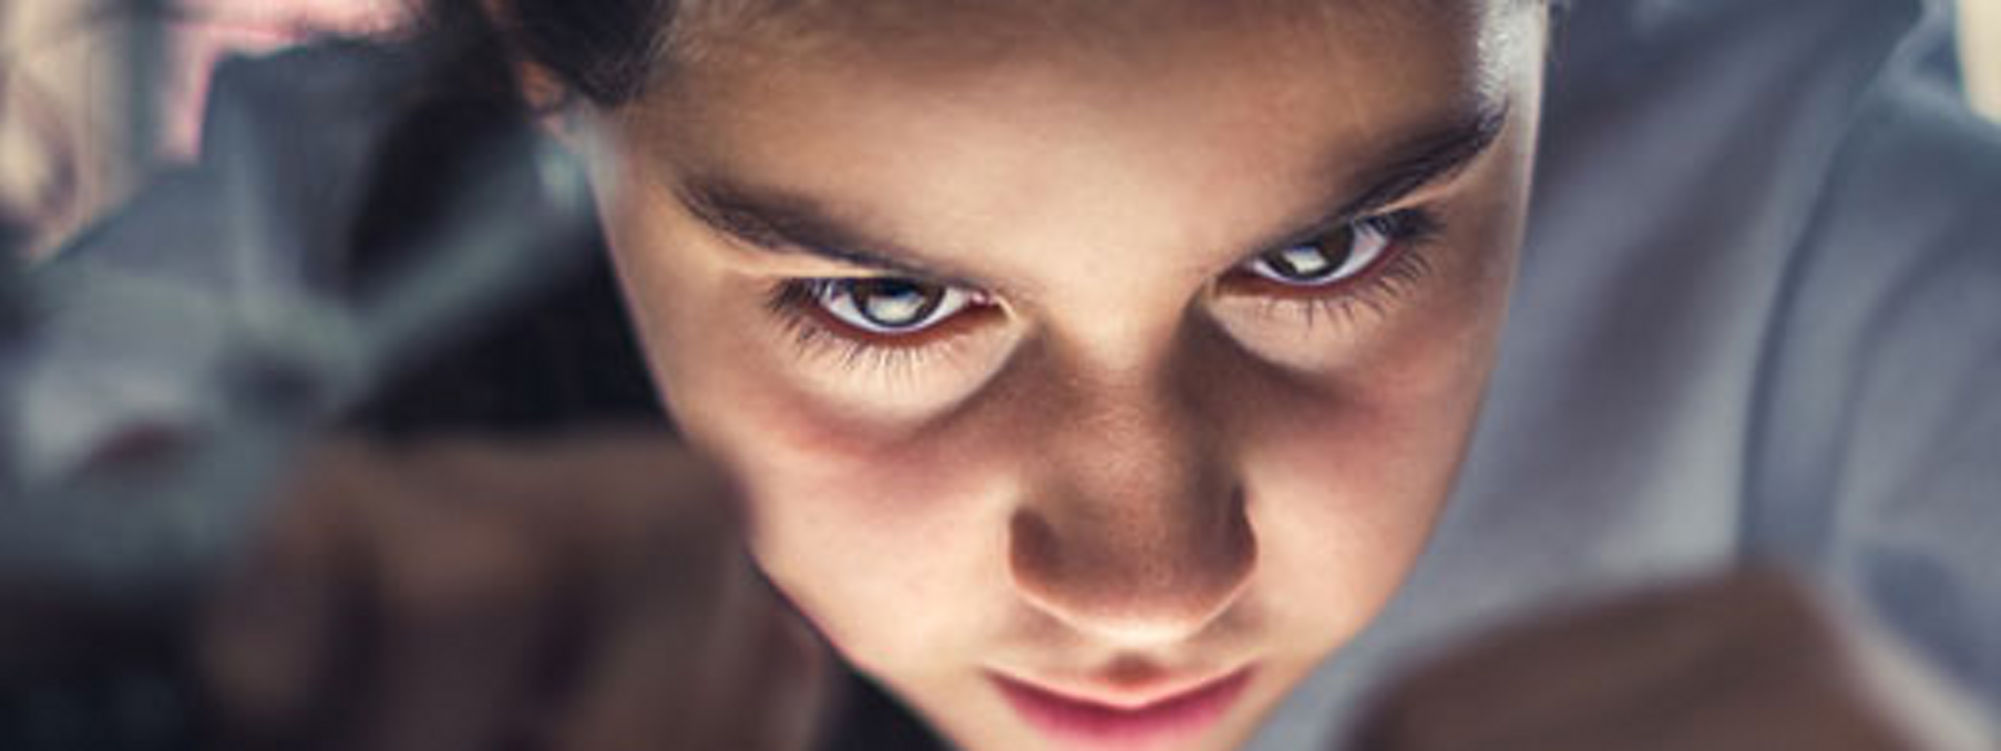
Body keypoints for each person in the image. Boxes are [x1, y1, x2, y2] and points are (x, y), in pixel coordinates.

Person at [5, 0, 1997, 749]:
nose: (1142, 581)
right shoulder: (328, 300)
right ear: (559, 110)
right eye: (884, 306)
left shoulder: (1845, 246)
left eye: (1322, 256)